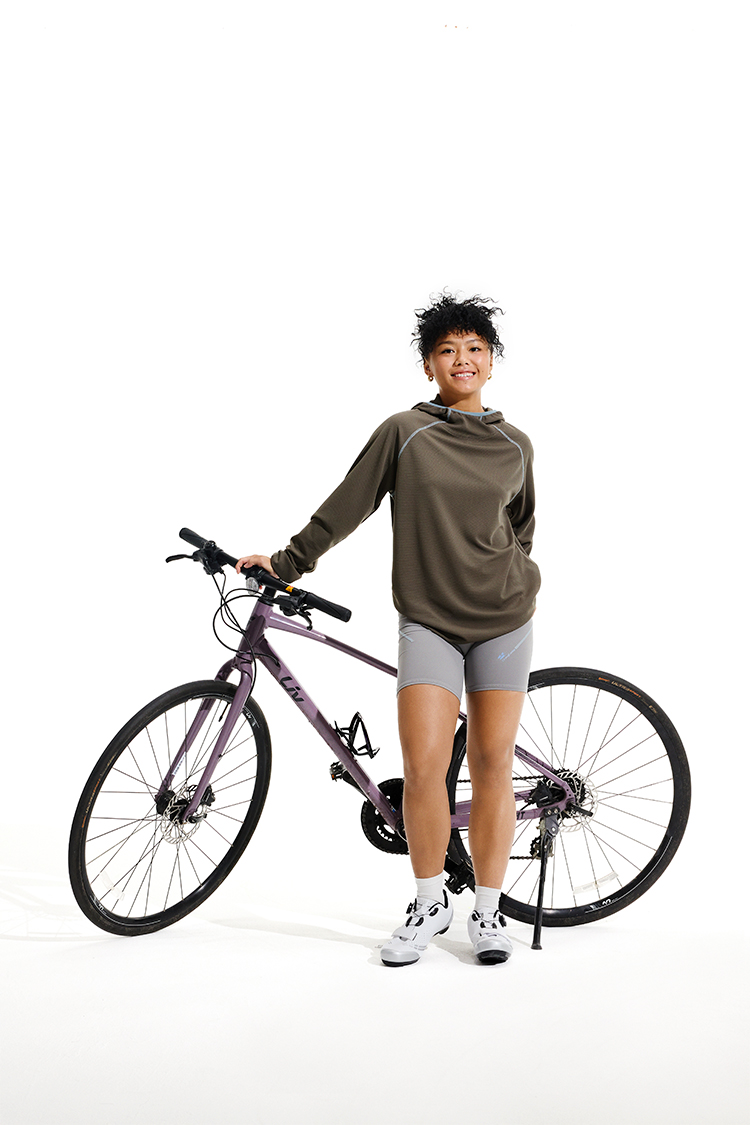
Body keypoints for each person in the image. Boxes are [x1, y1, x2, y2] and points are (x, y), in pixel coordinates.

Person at [236, 293, 541, 966]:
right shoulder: (404, 431)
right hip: (429, 618)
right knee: (424, 766)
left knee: (492, 764)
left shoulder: (515, 444)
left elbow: (520, 528)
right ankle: (430, 901)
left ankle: (488, 910)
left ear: (492, 360)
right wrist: (286, 562)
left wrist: (512, 573)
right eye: (447, 350)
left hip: (505, 620)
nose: (462, 360)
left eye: (475, 348)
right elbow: (348, 505)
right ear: (429, 364)